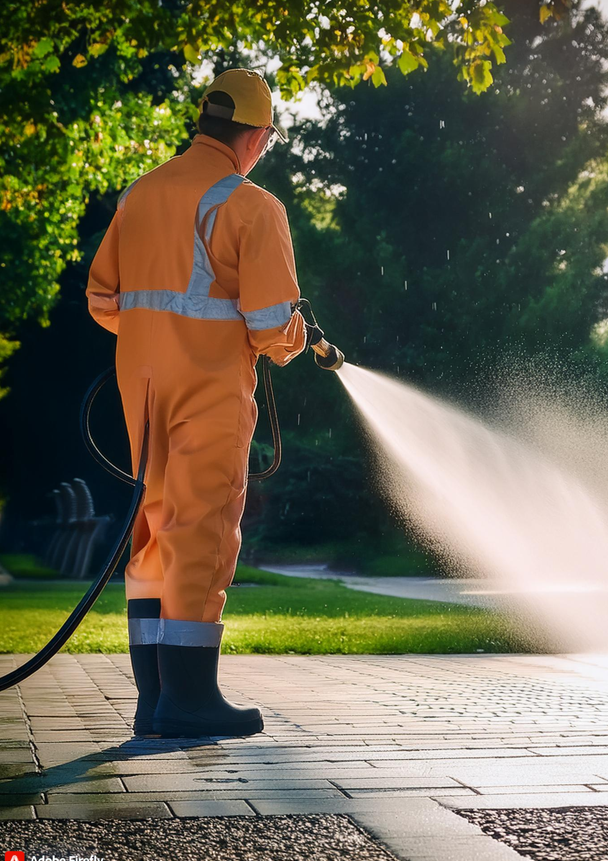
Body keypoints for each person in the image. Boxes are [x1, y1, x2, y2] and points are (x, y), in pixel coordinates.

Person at [86, 68, 314, 739]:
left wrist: (159, 335)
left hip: (143, 384)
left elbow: (104, 299)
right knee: (203, 533)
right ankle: (188, 699)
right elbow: (273, 325)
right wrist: (299, 336)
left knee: (153, 530)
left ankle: (154, 700)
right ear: (256, 136)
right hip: (209, 390)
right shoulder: (253, 207)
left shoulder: (141, 195)